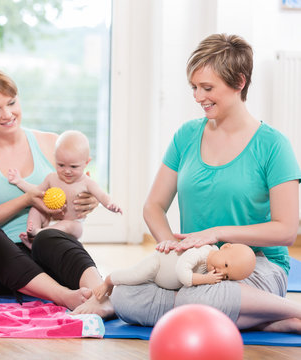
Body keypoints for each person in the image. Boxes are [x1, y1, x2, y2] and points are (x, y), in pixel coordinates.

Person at [76, 33, 301, 333]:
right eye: (194, 87)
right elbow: (154, 206)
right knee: (127, 295)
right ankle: (274, 322)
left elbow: (286, 230)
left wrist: (217, 233)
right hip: (197, 266)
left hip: (256, 266)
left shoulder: (274, 146)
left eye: (207, 88)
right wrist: (169, 247)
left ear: (239, 82)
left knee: (194, 298)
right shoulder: (186, 136)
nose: (197, 97)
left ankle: (290, 310)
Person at [0, 66, 111, 313]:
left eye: (12, 103)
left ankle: (102, 296)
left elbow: (80, 186)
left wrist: (87, 201)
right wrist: (27, 199)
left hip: (43, 255)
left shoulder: (51, 143)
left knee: (48, 236)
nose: (8, 114)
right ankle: (64, 297)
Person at [8, 129, 122, 248]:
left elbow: (101, 195)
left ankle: (40, 234)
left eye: (73, 166)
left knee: (70, 225)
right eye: (61, 165)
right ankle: (33, 237)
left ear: (86, 162)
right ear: (55, 159)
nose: (67, 171)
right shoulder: (52, 178)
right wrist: (19, 181)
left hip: (72, 225)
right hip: (50, 220)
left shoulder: (87, 182)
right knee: (35, 209)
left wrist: (110, 204)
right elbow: (36, 192)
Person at [93, 243, 256, 301]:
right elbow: (181, 271)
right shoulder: (201, 252)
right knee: (136, 275)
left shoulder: (210, 267)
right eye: (225, 264)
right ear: (225, 247)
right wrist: (204, 279)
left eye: (226, 275)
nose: (221, 271)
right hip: (157, 264)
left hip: (162, 282)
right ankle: (109, 280)